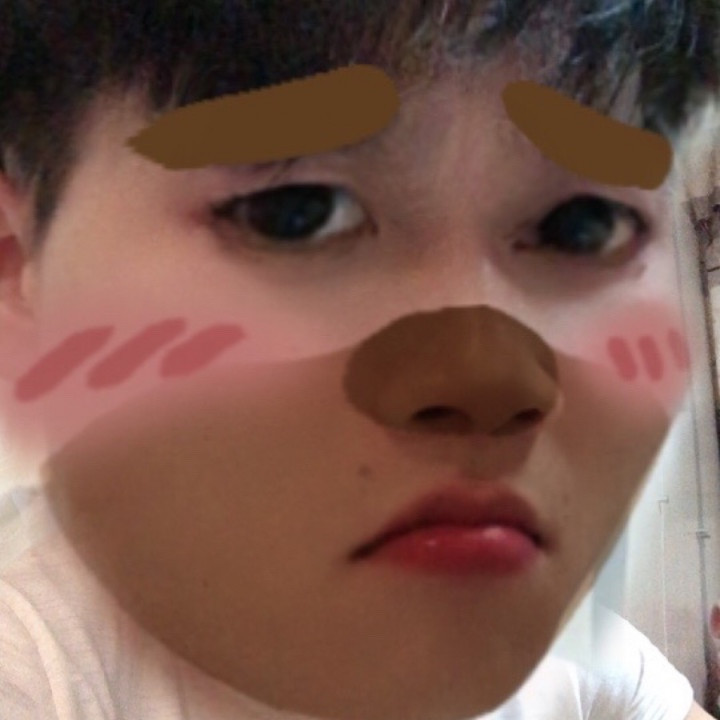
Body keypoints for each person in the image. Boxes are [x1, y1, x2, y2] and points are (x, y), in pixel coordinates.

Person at [0, 1, 715, 718]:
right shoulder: (40, 666)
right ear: (21, 264)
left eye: (580, 227)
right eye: (297, 213)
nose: (498, 373)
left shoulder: (570, 654)